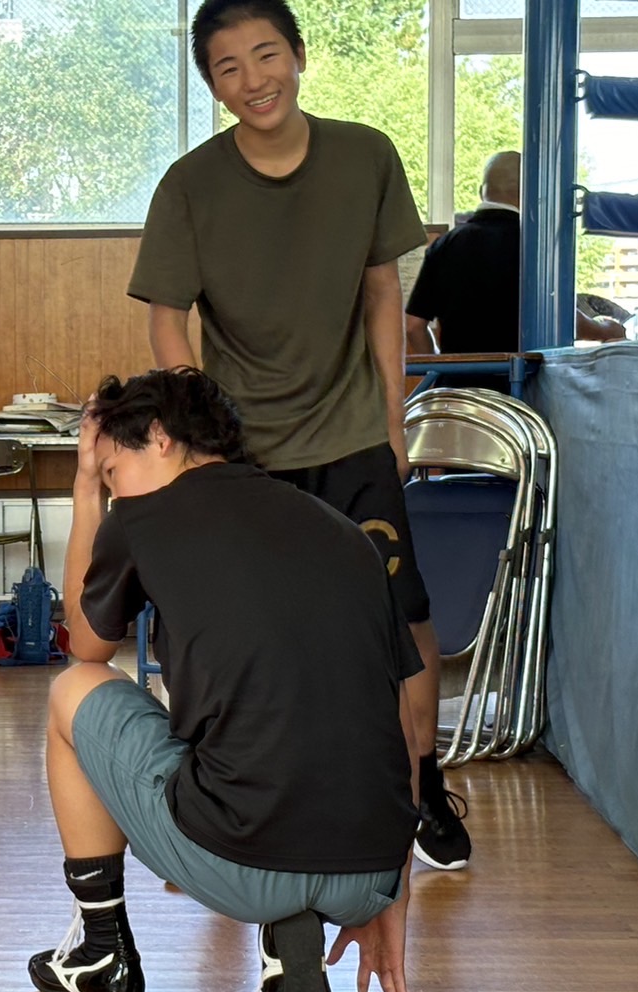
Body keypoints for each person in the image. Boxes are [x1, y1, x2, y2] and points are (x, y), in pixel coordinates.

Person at [127, 0, 467, 870]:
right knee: (233, 631)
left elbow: (383, 291)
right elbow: (167, 317)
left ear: (300, 55)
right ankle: (217, 798)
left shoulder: (365, 156)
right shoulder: (189, 186)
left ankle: (420, 787)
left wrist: (390, 418)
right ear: (213, 86)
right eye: (228, 67)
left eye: (266, 54)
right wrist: (200, 441)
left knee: (400, 618)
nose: (253, 79)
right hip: (244, 456)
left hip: (350, 433)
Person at [28, 369, 419, 992]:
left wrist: (85, 489)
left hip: (242, 859)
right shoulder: (342, 532)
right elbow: (401, 728)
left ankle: (101, 951)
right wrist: (390, 894)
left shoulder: (143, 516)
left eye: (114, 470)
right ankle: (287, 934)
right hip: (369, 875)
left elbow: (86, 646)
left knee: (73, 691)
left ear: (158, 437)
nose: (114, 487)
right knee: (241, 727)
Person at [405, 150, 624, 378]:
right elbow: (561, 318)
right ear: (530, 193)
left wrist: (438, 369)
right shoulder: (536, 247)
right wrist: (605, 330)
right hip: (519, 388)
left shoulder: (445, 245)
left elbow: (413, 325)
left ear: (481, 192)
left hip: (459, 389)